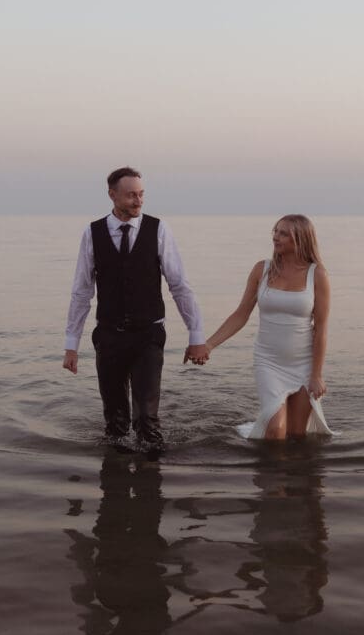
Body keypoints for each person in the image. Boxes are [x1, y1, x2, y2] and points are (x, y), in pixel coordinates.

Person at [63, 167, 208, 451]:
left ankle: (151, 484)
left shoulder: (159, 229)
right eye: (131, 195)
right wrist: (71, 345)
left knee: (147, 420)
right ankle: (114, 484)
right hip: (109, 336)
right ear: (112, 195)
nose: (138, 201)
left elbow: (179, 285)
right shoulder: (92, 233)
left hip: (148, 335)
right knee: (115, 423)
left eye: (141, 194)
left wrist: (197, 336)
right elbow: (81, 291)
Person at [195, 215, 332, 440]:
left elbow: (322, 329)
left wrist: (316, 375)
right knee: (275, 430)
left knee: (297, 434)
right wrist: (209, 345)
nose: (275, 237)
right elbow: (241, 314)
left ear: (301, 239)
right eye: (275, 231)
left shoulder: (317, 274)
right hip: (269, 361)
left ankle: (293, 473)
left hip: (303, 362)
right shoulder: (262, 269)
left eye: (283, 233)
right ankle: (269, 474)